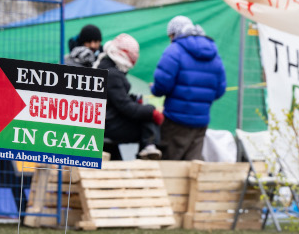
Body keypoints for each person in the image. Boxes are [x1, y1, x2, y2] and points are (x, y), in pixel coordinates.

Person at [151, 16, 226, 161]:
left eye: (170, 36)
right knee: (191, 168)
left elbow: (162, 85)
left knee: (169, 165)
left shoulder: (174, 50)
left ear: (174, 34)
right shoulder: (214, 53)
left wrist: (154, 89)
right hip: (201, 123)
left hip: (175, 120)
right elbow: (220, 89)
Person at [95, 34, 164, 160]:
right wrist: (151, 112)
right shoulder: (112, 74)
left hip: (106, 121)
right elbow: (125, 107)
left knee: (145, 113)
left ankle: (147, 149)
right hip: (108, 124)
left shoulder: (105, 69)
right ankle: (148, 148)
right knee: (148, 117)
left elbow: (117, 101)